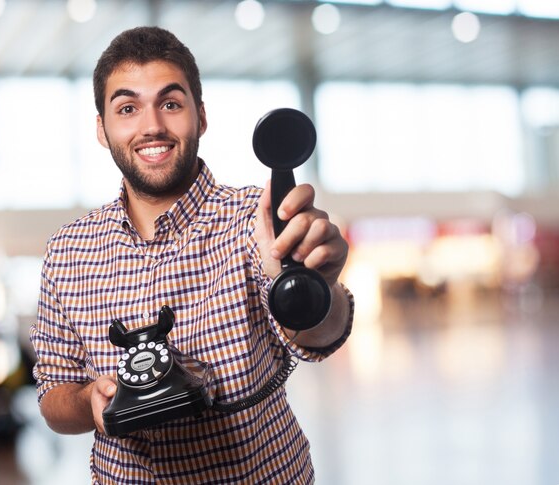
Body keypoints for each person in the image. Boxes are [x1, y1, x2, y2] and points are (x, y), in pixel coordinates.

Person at [30, 26, 354, 484]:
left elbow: (320, 335)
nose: (152, 127)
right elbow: (52, 395)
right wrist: (89, 402)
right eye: (127, 108)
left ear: (200, 117)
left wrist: (319, 286)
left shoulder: (256, 218)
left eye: (170, 103)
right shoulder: (66, 251)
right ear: (102, 129)